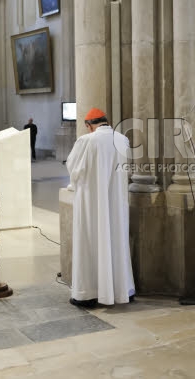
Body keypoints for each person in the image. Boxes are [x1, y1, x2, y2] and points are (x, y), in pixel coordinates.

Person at [65, 107, 135, 307]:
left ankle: (87, 293)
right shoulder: (122, 139)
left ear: (89, 125)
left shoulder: (86, 141)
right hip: (117, 203)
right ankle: (123, 290)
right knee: (116, 241)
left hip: (91, 203)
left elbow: (74, 169)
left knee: (90, 242)